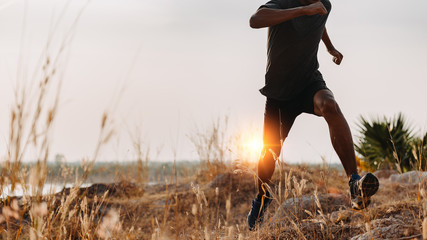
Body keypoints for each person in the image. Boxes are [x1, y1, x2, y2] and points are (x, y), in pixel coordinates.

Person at [247, 0, 379, 231]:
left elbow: (320, 23)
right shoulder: (280, 4)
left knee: (329, 105)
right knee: (269, 154)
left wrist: (329, 47)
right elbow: (255, 20)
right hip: (279, 94)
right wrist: (302, 11)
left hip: (309, 82)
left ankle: (354, 183)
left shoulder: (323, 5)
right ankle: (260, 199)